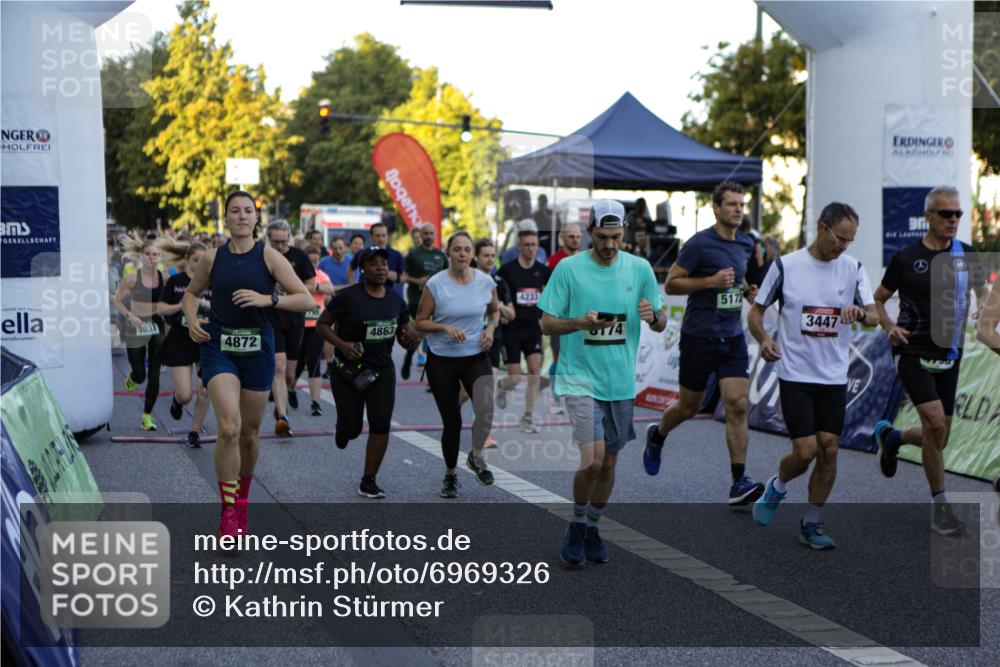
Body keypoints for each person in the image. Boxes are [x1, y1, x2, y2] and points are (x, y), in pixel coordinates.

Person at [538, 200, 666, 565]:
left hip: (620, 381)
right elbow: (546, 324)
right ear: (590, 232)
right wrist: (578, 323)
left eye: (617, 237)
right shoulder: (568, 269)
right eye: (603, 237)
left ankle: (593, 526)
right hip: (579, 378)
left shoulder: (640, 269)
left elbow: (659, 323)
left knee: (609, 463)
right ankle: (576, 524)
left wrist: (654, 316)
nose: (610, 244)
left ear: (624, 232)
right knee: (592, 460)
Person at [748, 203, 878, 549]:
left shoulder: (853, 269)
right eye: (840, 238)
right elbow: (756, 312)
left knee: (830, 449)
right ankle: (777, 485)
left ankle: (812, 524)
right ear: (821, 228)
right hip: (796, 374)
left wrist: (860, 312)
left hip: (834, 377)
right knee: (805, 452)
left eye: (850, 241)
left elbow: (875, 315)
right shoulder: (786, 266)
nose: (844, 247)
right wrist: (764, 339)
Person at [184, 190, 313, 537]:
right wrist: (193, 320)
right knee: (228, 427)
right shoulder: (213, 258)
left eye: (248, 211)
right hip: (219, 346)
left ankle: (242, 502)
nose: (241, 216)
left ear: (256, 219)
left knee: (250, 435)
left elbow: (306, 299)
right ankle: (228, 514)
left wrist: (268, 299)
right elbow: (191, 293)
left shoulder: (269, 257)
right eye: (235, 211)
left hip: (258, 347)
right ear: (225, 218)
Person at [872, 185, 989, 536]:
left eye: (957, 214)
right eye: (945, 214)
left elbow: (984, 294)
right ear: (928, 216)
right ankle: (941, 508)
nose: (953, 220)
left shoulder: (966, 255)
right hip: (912, 352)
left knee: (939, 436)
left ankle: (892, 438)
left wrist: (981, 310)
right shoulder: (906, 258)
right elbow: (878, 299)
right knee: (935, 426)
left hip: (949, 354)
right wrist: (890, 326)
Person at [642, 180, 766, 506]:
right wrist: (710, 281)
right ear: (716, 207)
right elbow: (672, 284)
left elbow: (743, 279)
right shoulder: (699, 244)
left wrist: (748, 290)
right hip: (698, 337)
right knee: (689, 407)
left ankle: (739, 481)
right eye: (732, 204)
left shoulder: (746, 244)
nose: (738, 209)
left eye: (741, 204)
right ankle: (658, 434)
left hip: (732, 337)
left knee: (737, 404)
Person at [318, 247, 420, 498]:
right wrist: (342, 345)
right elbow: (322, 324)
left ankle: (369, 480)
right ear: (362, 269)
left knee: (381, 424)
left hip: (382, 370)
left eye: (384, 264)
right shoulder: (349, 297)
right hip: (347, 371)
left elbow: (406, 333)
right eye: (374, 264)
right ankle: (344, 430)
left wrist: (411, 340)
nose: (381, 268)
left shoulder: (396, 300)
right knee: (352, 428)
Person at [415, 231, 500, 498]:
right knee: (452, 422)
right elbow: (420, 321)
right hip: (442, 360)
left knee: (486, 408)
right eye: (457, 249)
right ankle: (450, 475)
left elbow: (495, 311)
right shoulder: (436, 283)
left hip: (475, 355)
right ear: (448, 253)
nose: (462, 254)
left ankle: (475, 457)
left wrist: (491, 330)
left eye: (466, 249)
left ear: (473, 255)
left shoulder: (486, 282)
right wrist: (443, 327)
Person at [458, 239, 514, 448]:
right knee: (465, 391)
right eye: (486, 255)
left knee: (486, 389)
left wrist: (496, 306)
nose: (490, 259)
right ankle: (451, 415)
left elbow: (510, 314)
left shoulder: (500, 281)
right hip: (470, 339)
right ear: (476, 258)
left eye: (493, 255)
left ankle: (483, 434)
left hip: (493, 340)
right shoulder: (467, 279)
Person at [157, 239, 213, 447]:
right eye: (195, 260)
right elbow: (161, 309)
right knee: (186, 394)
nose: (199, 264)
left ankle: (194, 432)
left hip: (206, 340)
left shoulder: (214, 282)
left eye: (203, 260)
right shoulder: (176, 281)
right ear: (188, 261)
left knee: (205, 389)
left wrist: (208, 306)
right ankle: (177, 400)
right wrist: (181, 306)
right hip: (180, 340)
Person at [496, 226, 551, 433]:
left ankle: (527, 416)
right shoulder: (507, 270)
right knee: (515, 377)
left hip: (533, 328)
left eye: (534, 245)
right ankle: (502, 386)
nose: (530, 248)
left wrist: (545, 319)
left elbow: (549, 298)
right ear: (519, 247)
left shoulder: (543, 271)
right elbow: (498, 294)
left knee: (535, 372)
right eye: (526, 245)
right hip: (512, 329)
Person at [265, 220, 316, 435]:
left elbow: (311, 284)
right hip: (271, 317)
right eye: (275, 242)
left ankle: (283, 398)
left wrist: (292, 288)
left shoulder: (299, 256)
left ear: (290, 238)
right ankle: (283, 416)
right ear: (269, 238)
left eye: (283, 242)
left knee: (289, 374)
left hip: (294, 319)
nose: (279, 247)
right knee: (278, 365)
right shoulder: (263, 256)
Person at [112, 235, 166, 431]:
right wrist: (129, 316)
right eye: (148, 254)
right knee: (140, 374)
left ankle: (147, 416)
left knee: (154, 373)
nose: (152, 258)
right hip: (135, 325)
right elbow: (117, 300)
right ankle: (132, 377)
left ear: (159, 257)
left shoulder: (163, 277)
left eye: (155, 254)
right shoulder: (132, 278)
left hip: (156, 325)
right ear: (141, 256)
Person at [291, 244, 336, 416]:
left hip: (316, 326)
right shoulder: (295, 275)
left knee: (314, 363)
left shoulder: (322, 275)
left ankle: (315, 403)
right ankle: (291, 389)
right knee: (296, 364)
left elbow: (330, 290)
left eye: (316, 255)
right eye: (310, 255)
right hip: (298, 325)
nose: (313, 258)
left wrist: (315, 287)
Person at [401, 223, 448, 380]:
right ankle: (409, 357)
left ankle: (434, 370)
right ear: (420, 235)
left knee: (433, 334)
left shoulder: (441, 255)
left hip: (438, 301)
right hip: (417, 300)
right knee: (421, 333)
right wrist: (417, 280)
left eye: (431, 233)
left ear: (435, 235)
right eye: (425, 233)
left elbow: (448, 277)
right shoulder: (413, 254)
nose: (428, 236)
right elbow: (402, 277)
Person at [347, 222, 405, 296]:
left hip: (387, 296)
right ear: (371, 237)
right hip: (365, 295)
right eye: (377, 236)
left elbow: (403, 278)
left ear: (387, 236)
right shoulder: (363, 253)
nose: (381, 239)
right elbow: (350, 269)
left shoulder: (396, 255)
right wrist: (353, 286)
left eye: (383, 235)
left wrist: (393, 276)